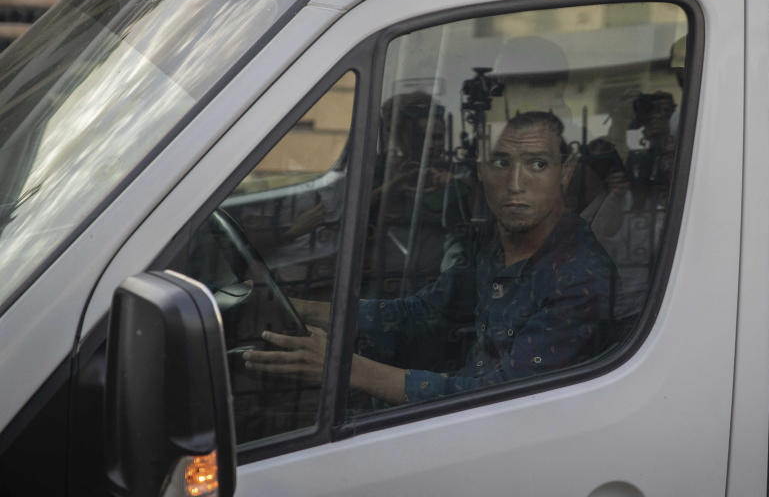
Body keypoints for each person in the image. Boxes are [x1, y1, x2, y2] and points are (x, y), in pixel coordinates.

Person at [243, 111, 617, 405]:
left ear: (565, 172)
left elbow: (503, 398)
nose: (515, 182)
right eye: (501, 162)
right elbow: (423, 312)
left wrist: (344, 369)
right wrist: (296, 307)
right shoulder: (494, 241)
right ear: (480, 170)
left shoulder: (579, 278)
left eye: (537, 164)